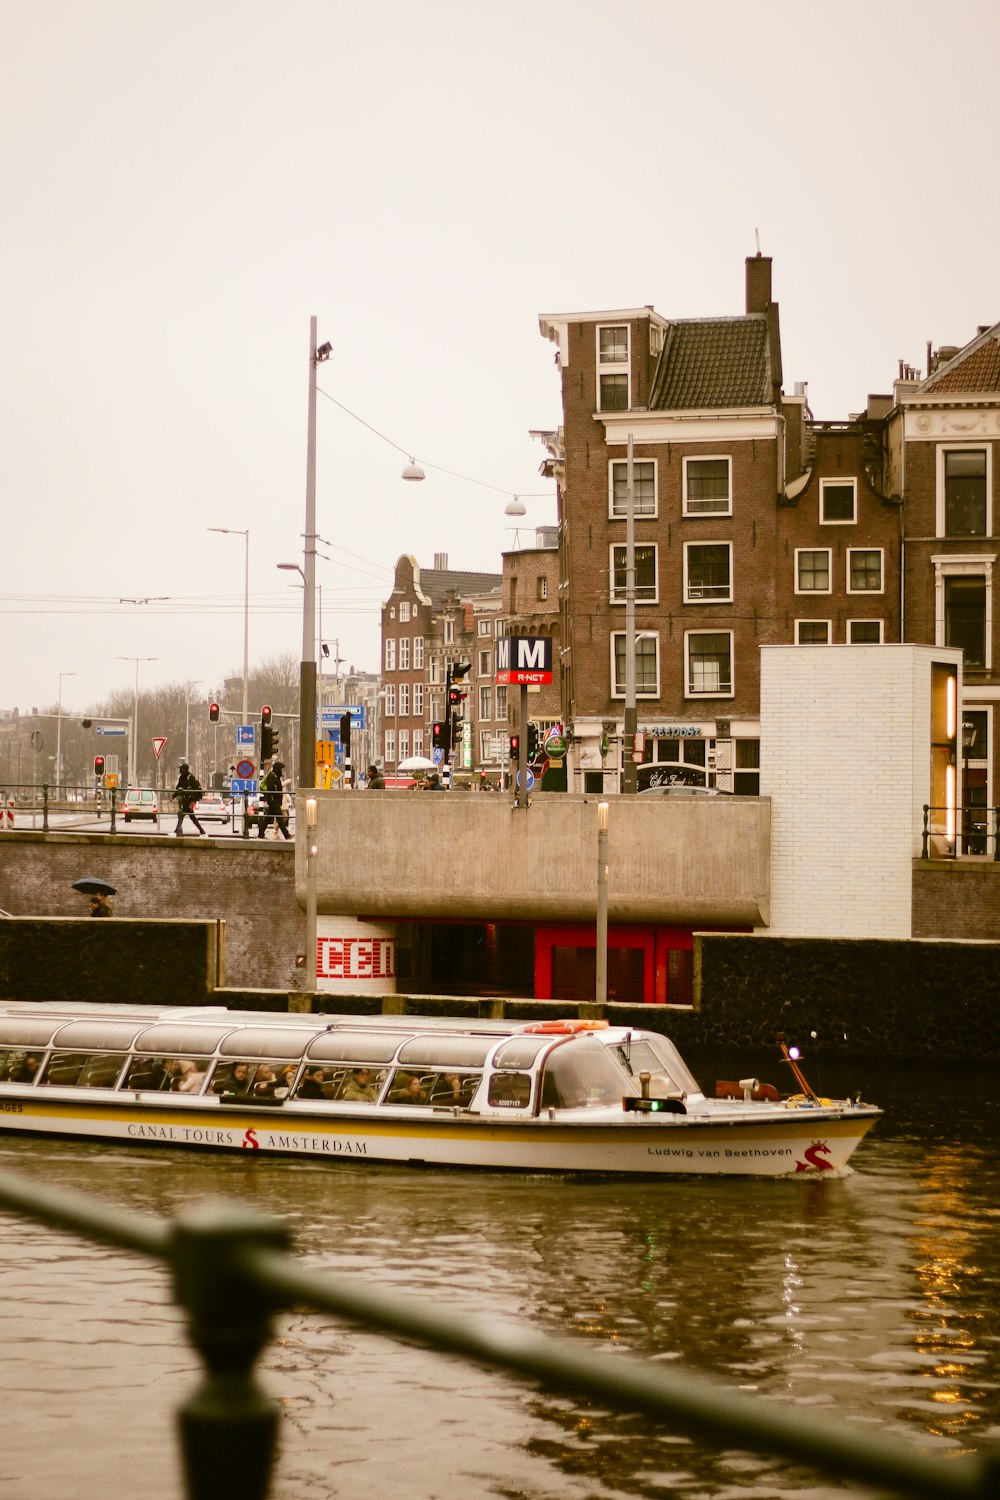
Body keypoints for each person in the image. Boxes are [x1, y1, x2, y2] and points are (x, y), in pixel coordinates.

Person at [258, 760, 290, 840]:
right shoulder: (272, 776)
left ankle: (261, 833)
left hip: (274, 801)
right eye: (281, 769)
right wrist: (275, 796)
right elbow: (271, 787)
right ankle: (286, 835)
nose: (282, 771)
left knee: (268, 818)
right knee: (279, 818)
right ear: (278, 769)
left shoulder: (276, 776)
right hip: (273, 800)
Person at [174, 760, 205, 836]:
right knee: (187, 815)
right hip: (184, 800)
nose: (179, 770)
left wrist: (193, 801)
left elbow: (195, 790)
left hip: (189, 800)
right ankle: (201, 831)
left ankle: (177, 829)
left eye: (181, 768)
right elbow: (178, 788)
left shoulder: (190, 777)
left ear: (184, 769)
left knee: (183, 815)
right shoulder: (181, 778)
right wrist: (173, 796)